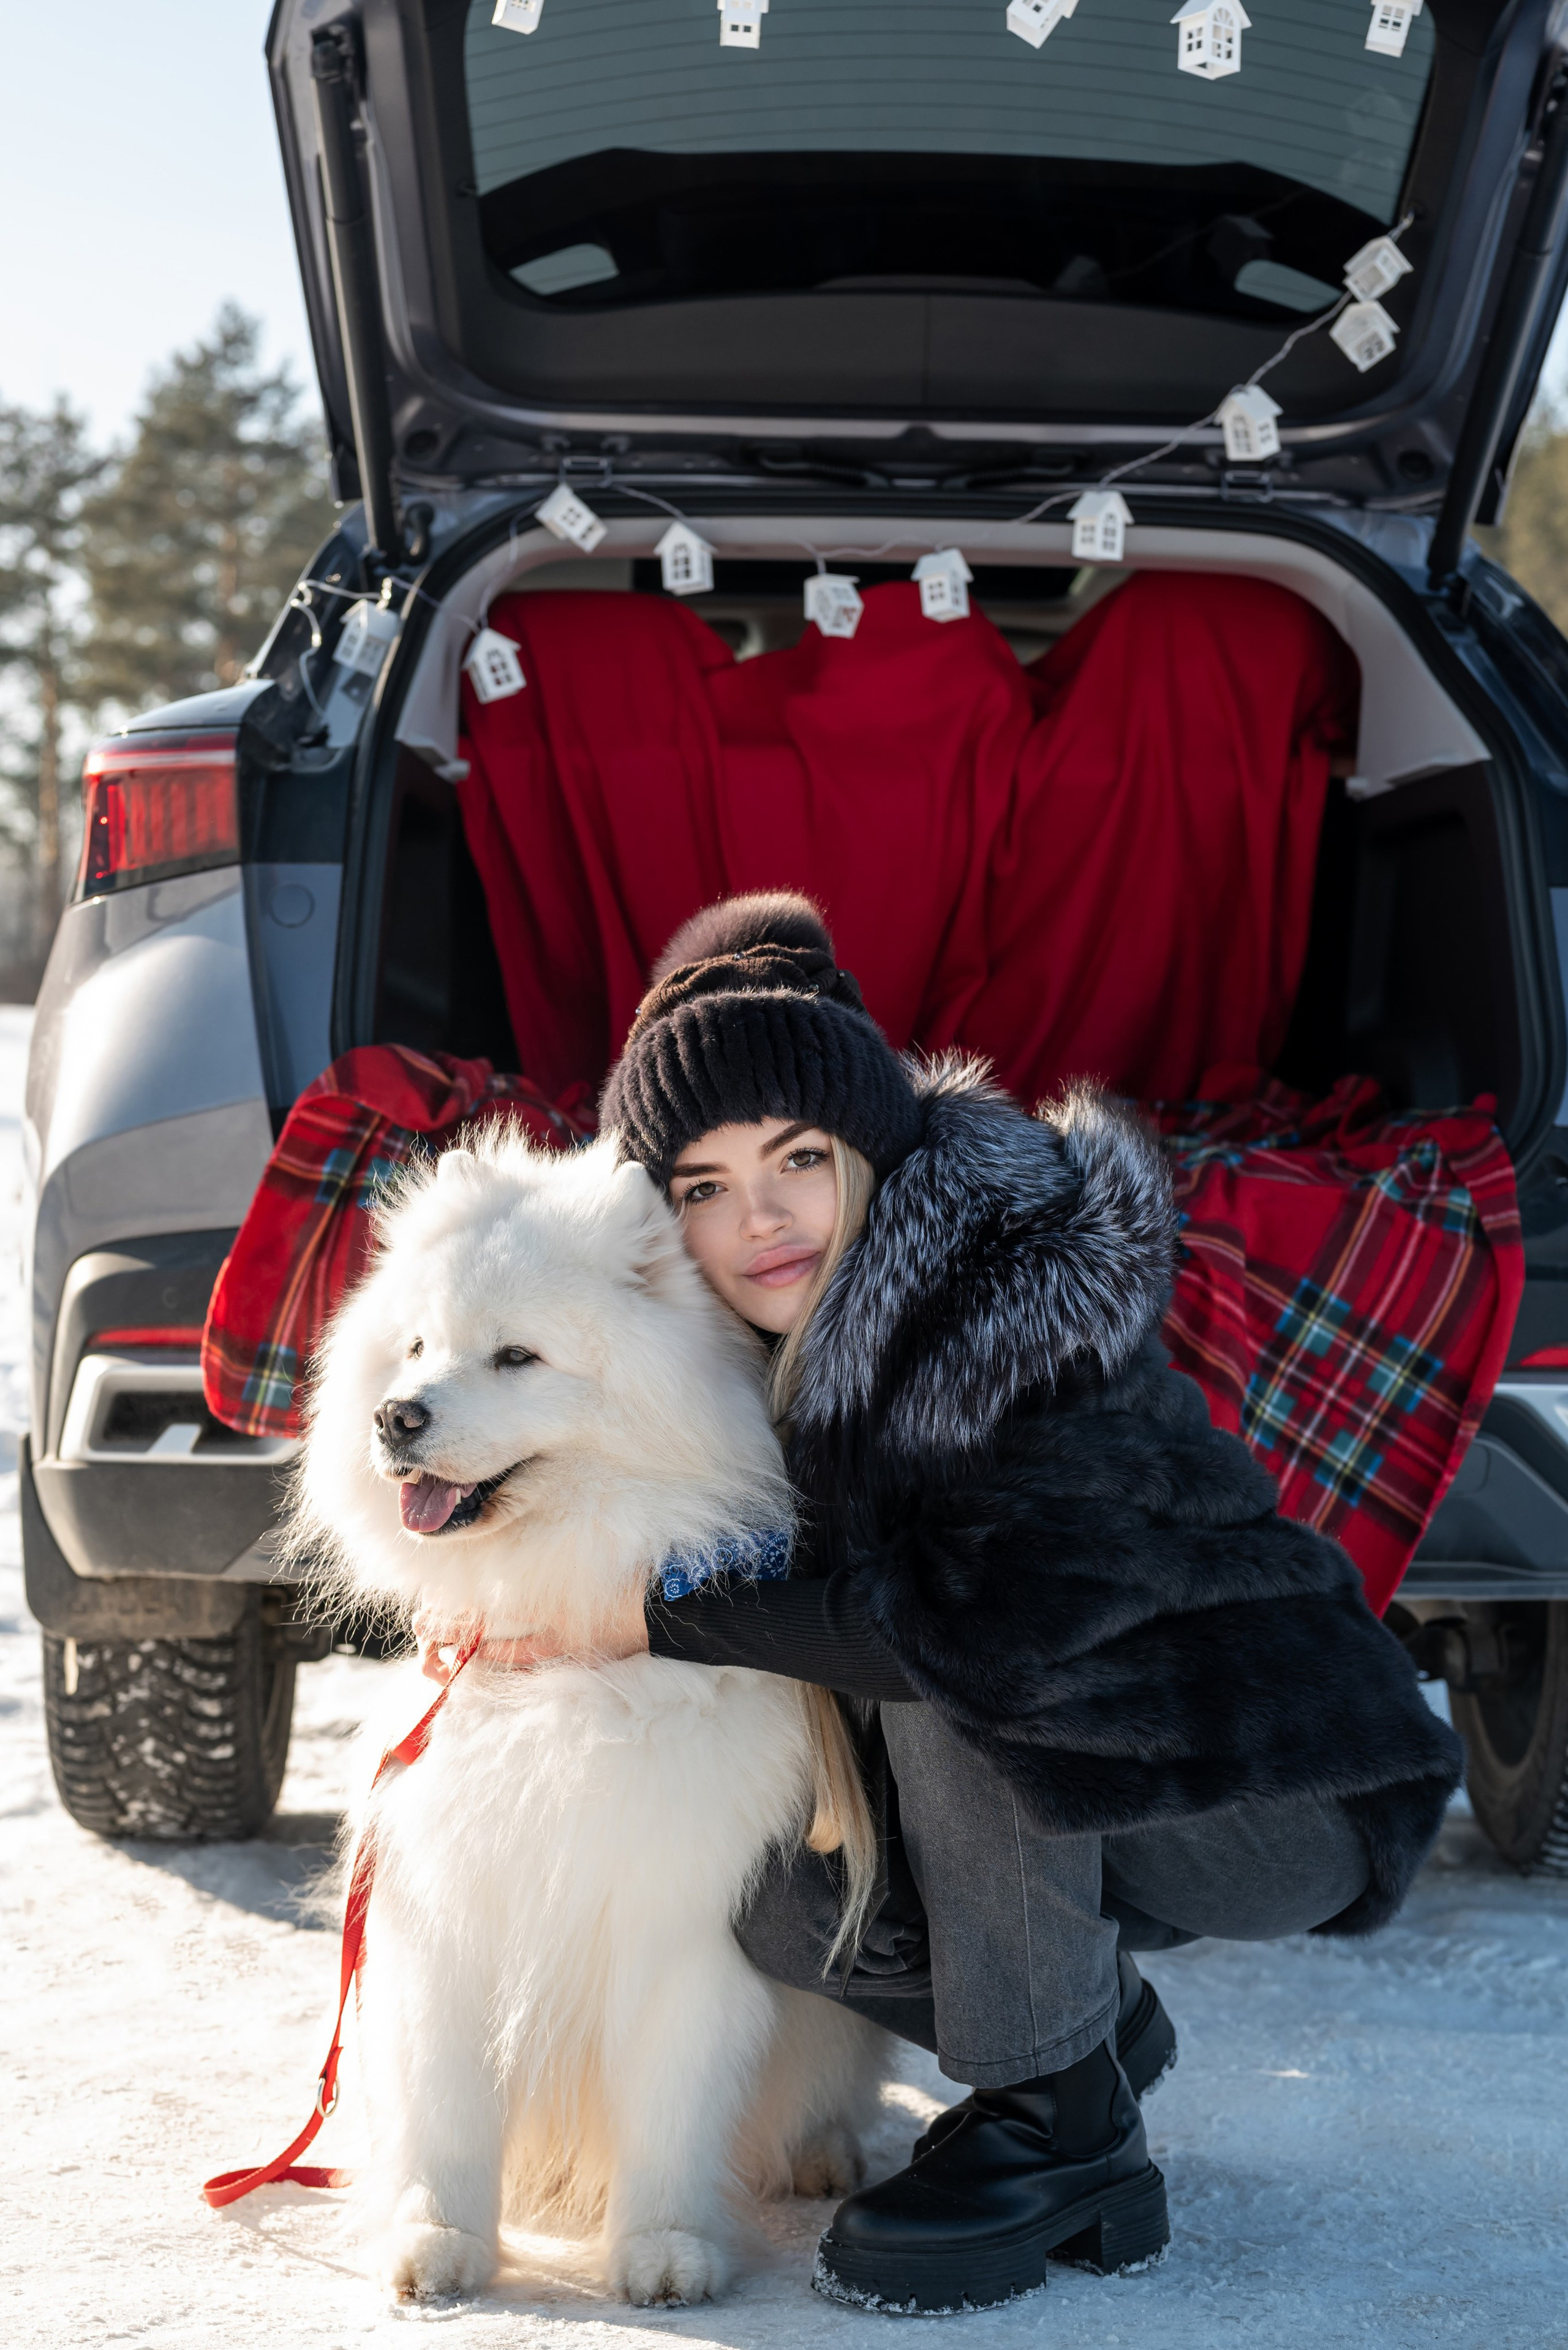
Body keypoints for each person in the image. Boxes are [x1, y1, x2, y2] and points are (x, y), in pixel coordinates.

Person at [429, 892, 1463, 2314]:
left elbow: (983, 1628)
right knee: (782, 1914)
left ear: (875, 1143)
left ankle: (1060, 2125)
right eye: (704, 1185)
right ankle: (1088, 2024)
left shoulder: (1004, 1299)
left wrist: (640, 1617)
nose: (761, 1217)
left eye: (799, 1156)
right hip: (1106, 1776)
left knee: (948, 1652)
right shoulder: (749, 1343)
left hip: (1270, 1786)